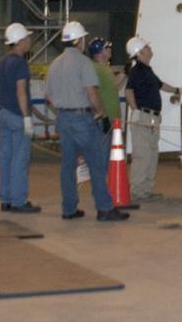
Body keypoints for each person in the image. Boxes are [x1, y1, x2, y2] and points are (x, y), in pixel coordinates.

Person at [44, 21, 129, 222]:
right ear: (79, 41)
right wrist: (101, 113)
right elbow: (92, 92)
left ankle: (69, 208)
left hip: (63, 118)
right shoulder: (84, 63)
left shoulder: (55, 64)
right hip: (82, 118)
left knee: (67, 166)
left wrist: (63, 107)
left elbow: (48, 96)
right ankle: (104, 208)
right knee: (96, 163)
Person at [124, 36, 182, 201]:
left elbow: (160, 84)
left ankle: (146, 189)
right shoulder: (137, 70)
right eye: (146, 47)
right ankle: (137, 191)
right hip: (143, 117)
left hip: (151, 118)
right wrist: (135, 110)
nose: (150, 48)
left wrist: (177, 90)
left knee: (151, 154)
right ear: (140, 52)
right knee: (143, 155)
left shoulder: (147, 70)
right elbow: (128, 91)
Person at [0, 22, 40, 214]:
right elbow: (21, 92)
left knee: (5, 158)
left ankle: (6, 199)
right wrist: (26, 118)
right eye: (27, 38)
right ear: (21, 41)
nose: (29, 41)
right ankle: (18, 201)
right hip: (17, 115)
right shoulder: (20, 64)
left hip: (4, 114)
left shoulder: (3, 62)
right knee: (19, 160)